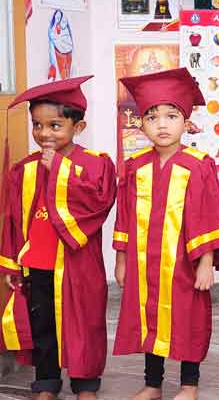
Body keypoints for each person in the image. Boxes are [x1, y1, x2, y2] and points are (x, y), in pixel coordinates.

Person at [113, 68, 219, 400]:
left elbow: (210, 215)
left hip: (185, 265)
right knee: (150, 320)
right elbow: (124, 217)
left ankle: (189, 385)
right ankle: (153, 384)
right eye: (152, 117)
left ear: (186, 121)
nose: (162, 125)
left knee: (189, 321)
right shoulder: (135, 166)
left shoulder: (198, 165)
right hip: (144, 265)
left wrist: (206, 263)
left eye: (171, 116)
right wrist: (121, 261)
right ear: (141, 124)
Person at [0, 76, 116, 400]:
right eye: (37, 125)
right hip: (38, 263)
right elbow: (13, 220)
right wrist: (11, 264)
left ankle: (85, 384)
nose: (44, 134)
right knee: (43, 327)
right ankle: (46, 383)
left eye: (55, 125)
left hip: (79, 265)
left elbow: (99, 203)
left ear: (78, 127)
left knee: (85, 324)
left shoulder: (96, 164)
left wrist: (60, 170)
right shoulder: (24, 169)